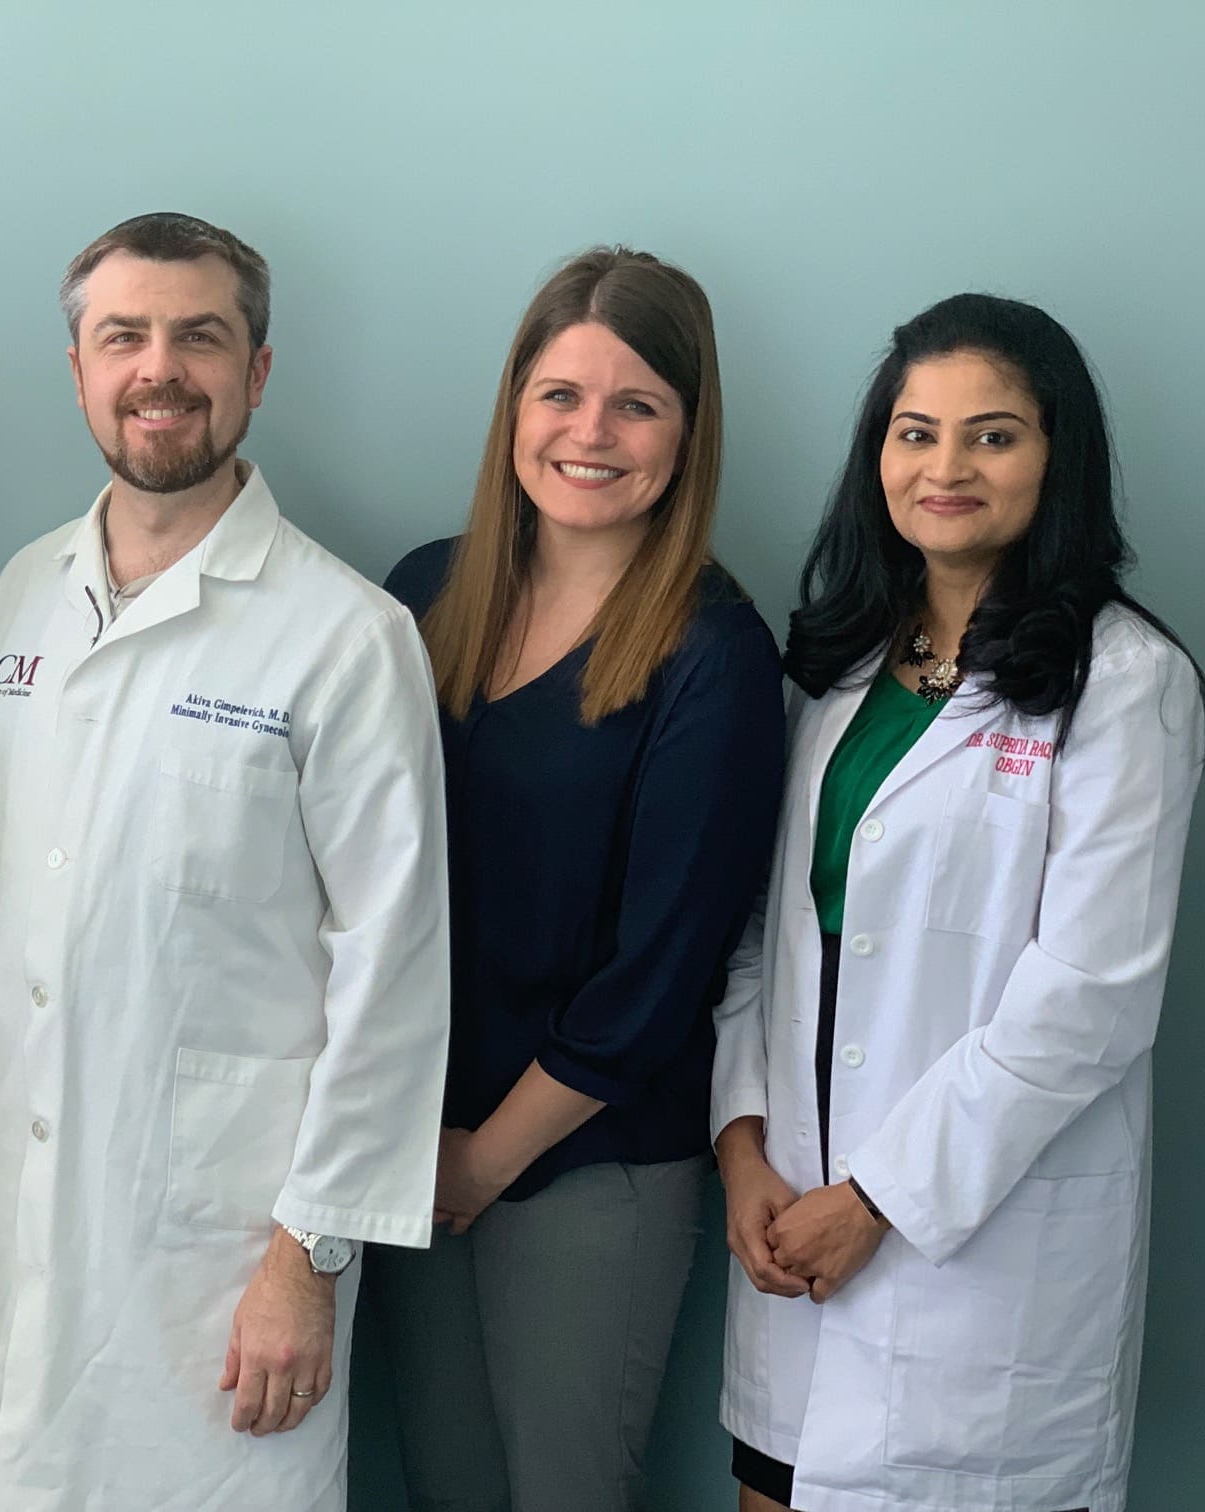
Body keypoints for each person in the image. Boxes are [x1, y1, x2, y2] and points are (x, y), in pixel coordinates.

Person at [0, 211, 450, 1511]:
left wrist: (308, 1261)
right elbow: (1, 917)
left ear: (256, 371)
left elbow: (393, 973)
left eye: (199, 338)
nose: (160, 369)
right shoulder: (20, 599)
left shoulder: (346, 637)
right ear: (80, 371)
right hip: (5, 1213)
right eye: (124, 338)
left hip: (218, 1255)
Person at [713, 293, 1203, 1512]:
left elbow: (1090, 1000)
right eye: (915, 433)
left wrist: (880, 1199)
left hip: (976, 1258)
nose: (946, 468)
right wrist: (741, 1147)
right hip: (790, 1221)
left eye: (993, 435)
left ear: (1057, 458)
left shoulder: (1126, 683)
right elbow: (763, 937)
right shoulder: (834, 669)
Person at [368, 247, 787, 1511]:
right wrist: (415, 1145)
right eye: (560, 395)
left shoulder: (714, 654)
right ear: (514, 410)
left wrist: (485, 1161)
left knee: (566, 1490)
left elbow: (660, 973)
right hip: (410, 1141)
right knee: (446, 1488)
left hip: (590, 1161)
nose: (590, 434)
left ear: (687, 435)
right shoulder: (422, 593)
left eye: (636, 405)